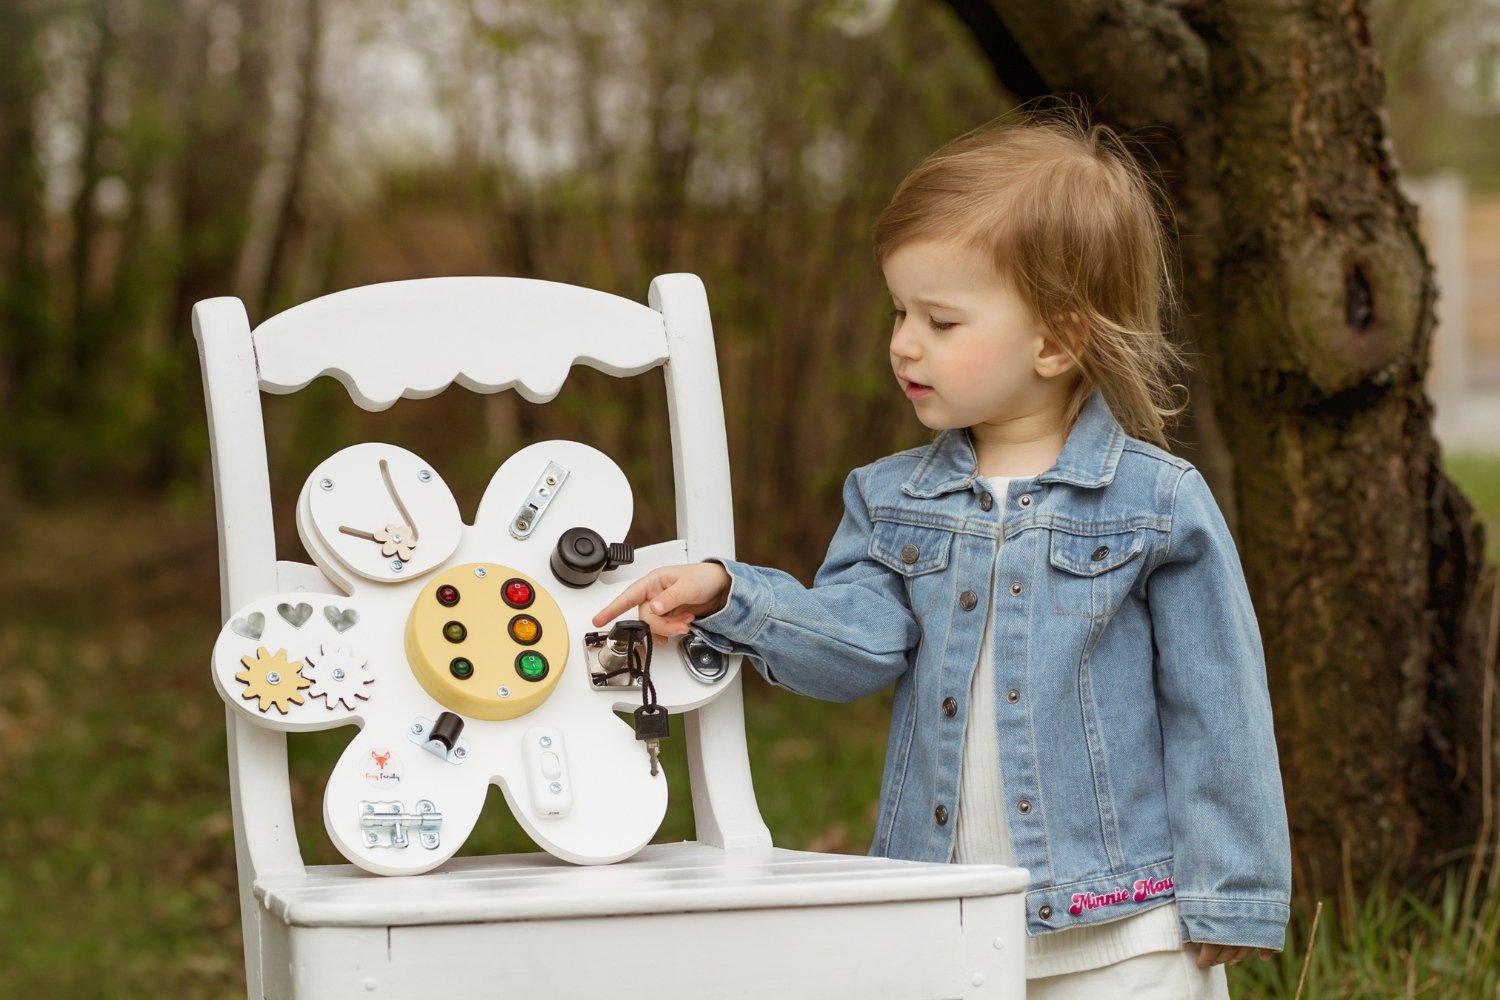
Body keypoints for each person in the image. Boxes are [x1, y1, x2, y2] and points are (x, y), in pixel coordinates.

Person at [593, 111, 1290, 999]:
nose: (903, 343)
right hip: (945, 918)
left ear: (1057, 340)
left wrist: (1233, 894)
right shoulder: (892, 499)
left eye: (942, 319)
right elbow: (858, 647)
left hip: (1126, 930)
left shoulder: (1156, 504)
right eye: (899, 310)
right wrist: (734, 595)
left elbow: (1218, 704)